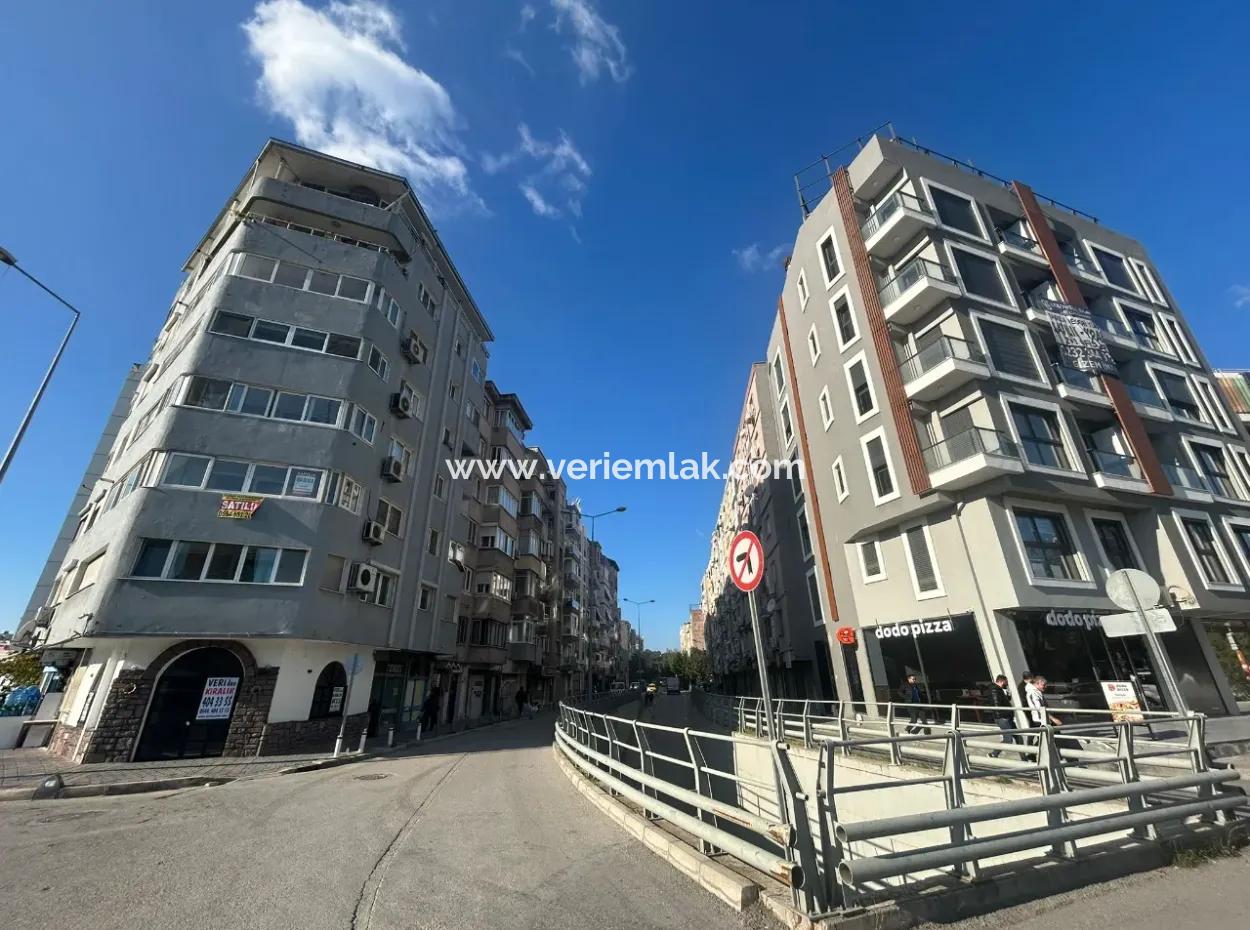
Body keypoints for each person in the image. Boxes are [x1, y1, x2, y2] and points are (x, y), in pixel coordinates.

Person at [985, 674, 1018, 758]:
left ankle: (1025, 758)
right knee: (1008, 740)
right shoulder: (994, 690)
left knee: (1018, 737)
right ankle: (993, 754)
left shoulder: (999, 690)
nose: (1007, 684)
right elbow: (997, 706)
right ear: (1002, 681)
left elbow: (1003, 702)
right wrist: (1005, 716)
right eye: (1006, 682)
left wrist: (1007, 696)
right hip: (1003, 718)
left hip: (1007, 717)